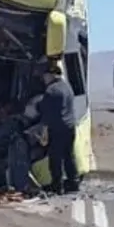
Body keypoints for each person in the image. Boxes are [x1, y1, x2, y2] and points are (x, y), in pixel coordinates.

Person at [38, 62, 79, 194]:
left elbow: (47, 115)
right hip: (70, 126)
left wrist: (44, 134)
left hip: (57, 129)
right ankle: (73, 183)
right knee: (69, 156)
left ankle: (57, 186)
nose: (44, 79)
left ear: (51, 75)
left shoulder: (51, 91)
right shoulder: (67, 87)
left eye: (45, 76)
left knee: (55, 159)